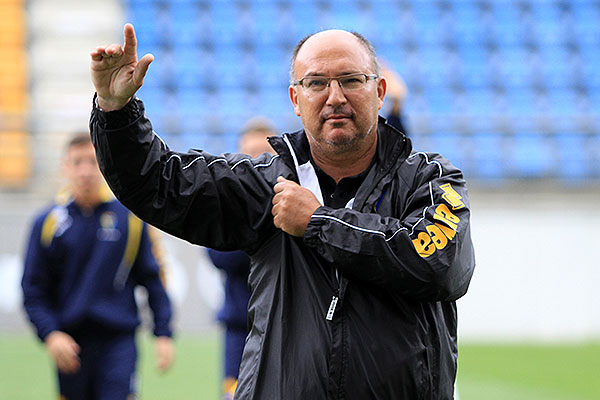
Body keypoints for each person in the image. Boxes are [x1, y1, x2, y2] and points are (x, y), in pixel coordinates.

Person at [89, 24, 475, 399]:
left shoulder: (431, 180)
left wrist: (317, 223)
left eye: (352, 80)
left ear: (380, 91)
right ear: (295, 99)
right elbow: (158, 183)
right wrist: (116, 112)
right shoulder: (265, 183)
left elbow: (439, 263)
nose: (335, 96)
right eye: (317, 83)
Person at [21, 133, 175, 400]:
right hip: (71, 344)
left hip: (119, 341)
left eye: (92, 162)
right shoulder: (47, 224)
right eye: (77, 162)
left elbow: (152, 279)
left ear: (103, 165)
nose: (85, 171)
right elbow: (32, 290)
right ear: (64, 167)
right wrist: (51, 334)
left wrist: (163, 332)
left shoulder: (130, 219)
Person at [207, 118, 276, 400]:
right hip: (240, 326)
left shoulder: (299, 200)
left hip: (285, 325)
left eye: (264, 154)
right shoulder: (224, 201)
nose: (255, 163)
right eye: (248, 154)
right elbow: (218, 257)